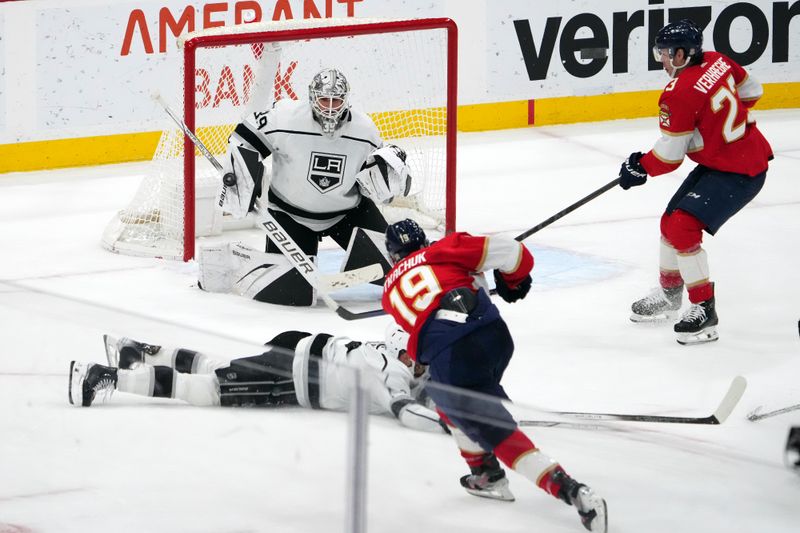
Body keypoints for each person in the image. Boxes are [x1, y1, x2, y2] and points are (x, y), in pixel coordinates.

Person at [381, 219, 607, 533]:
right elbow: (514, 253)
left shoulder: (389, 292)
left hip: (456, 355)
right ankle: (486, 474)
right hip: (496, 337)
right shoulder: (444, 249)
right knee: (448, 406)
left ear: (392, 256)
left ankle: (572, 490)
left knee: (494, 431)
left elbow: (422, 337)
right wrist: (512, 281)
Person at [203, 67, 414, 306]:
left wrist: (388, 178)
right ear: (312, 97)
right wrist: (241, 175)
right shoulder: (284, 117)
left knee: (398, 274)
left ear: (347, 100)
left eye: (337, 100)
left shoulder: (365, 130)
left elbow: (373, 177)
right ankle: (235, 264)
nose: (331, 107)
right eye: (325, 99)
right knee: (292, 294)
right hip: (289, 214)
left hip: (347, 213)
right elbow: (244, 137)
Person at [619, 19, 773, 345]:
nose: (660, 59)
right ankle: (670, 294)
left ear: (680, 54)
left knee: (682, 226)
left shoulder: (678, 93)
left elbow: (669, 158)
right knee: (669, 221)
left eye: (663, 53)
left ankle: (704, 310)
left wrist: (638, 168)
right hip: (735, 158)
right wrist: (719, 131)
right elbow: (753, 91)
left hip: (739, 172)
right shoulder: (718, 60)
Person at [67, 325, 445, 434]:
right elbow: (406, 411)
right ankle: (106, 376)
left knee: (219, 366)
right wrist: (448, 423)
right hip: (290, 378)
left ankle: (138, 349)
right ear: (405, 353)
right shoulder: (391, 372)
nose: (423, 366)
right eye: (419, 358)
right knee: (208, 389)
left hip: (296, 346)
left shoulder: (381, 349)